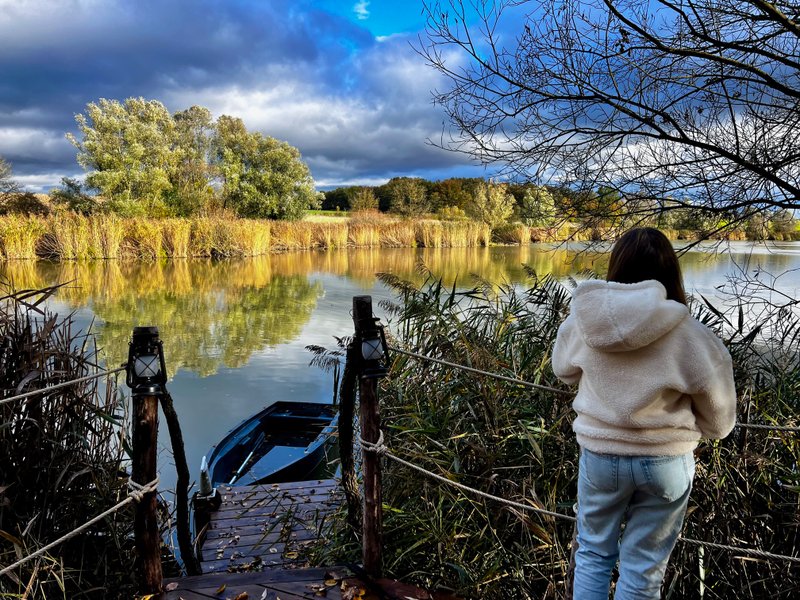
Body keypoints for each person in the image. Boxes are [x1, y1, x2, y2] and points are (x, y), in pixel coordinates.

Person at [551, 227, 737, 599]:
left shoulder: (584, 323)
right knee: (644, 565)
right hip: (665, 462)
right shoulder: (693, 336)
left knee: (592, 553)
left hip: (601, 457)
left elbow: (563, 370)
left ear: (616, 267)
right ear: (671, 274)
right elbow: (720, 422)